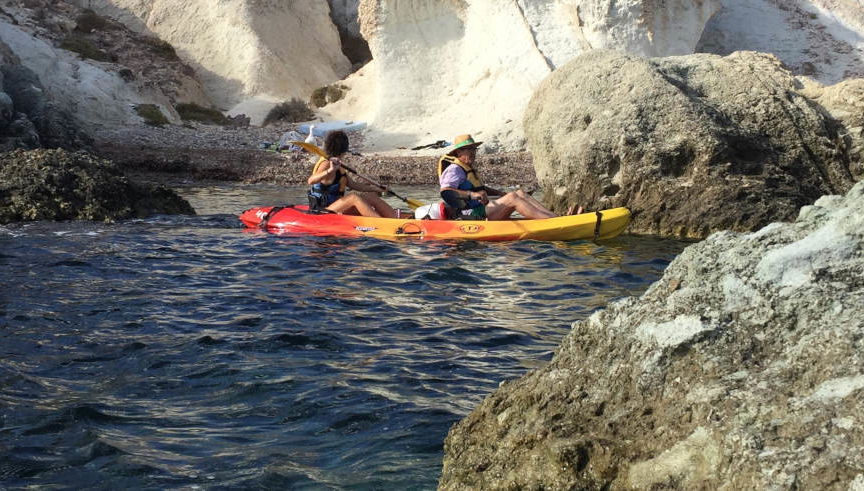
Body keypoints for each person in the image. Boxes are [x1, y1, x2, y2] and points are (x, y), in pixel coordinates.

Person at [438, 134, 560, 220]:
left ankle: (554, 218)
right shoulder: (454, 169)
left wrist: (501, 194)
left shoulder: (467, 168)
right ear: (458, 152)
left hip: (482, 210)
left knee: (519, 193)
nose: (473, 153)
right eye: (469, 149)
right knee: (512, 198)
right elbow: (446, 192)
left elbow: (481, 189)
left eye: (474, 149)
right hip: (467, 214)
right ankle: (551, 222)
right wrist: (471, 194)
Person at [307, 130, 398, 218]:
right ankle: (381, 223)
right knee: (353, 197)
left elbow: (353, 185)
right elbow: (310, 181)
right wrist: (330, 170)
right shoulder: (326, 164)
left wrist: (377, 188)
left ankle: (395, 218)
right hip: (322, 210)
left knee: (371, 196)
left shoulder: (337, 164)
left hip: (337, 207)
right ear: (343, 149)